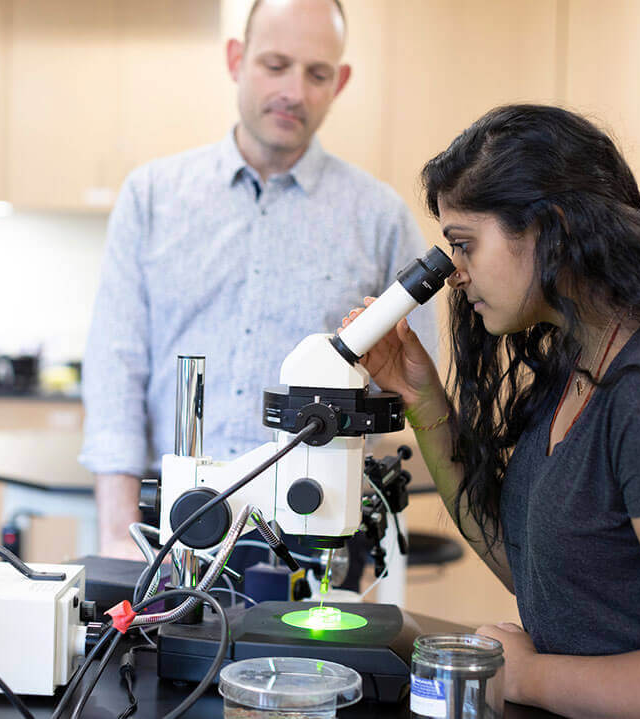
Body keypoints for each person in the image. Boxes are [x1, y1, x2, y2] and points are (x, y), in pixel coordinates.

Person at [342, 104, 640, 715]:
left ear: (549, 228)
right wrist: (422, 397)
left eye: (465, 245)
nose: (456, 275)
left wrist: (526, 677)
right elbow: (540, 574)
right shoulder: (577, 364)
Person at [81, 0, 437, 560]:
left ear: (339, 82)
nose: (294, 91)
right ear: (236, 60)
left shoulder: (380, 218)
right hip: (164, 529)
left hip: (314, 535)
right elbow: (115, 367)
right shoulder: (152, 197)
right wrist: (115, 533)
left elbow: (415, 387)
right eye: (275, 65)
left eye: (316, 73)